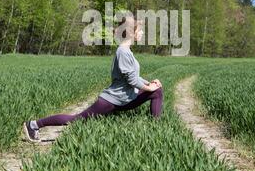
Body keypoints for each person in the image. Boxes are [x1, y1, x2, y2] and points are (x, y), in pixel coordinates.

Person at [23, 16, 163, 143]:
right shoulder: (123, 52)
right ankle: (34, 125)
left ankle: (156, 131)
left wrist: (149, 84)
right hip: (112, 101)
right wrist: (149, 87)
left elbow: (133, 76)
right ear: (131, 32)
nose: (143, 33)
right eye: (141, 30)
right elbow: (132, 80)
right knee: (75, 120)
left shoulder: (127, 51)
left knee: (157, 92)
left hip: (124, 98)